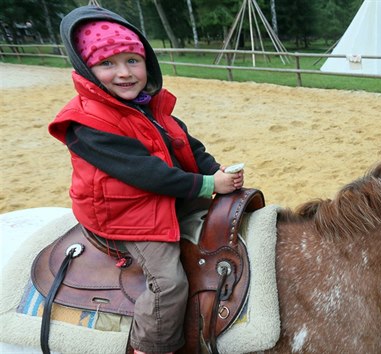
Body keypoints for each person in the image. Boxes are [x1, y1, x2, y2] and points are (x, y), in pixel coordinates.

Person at [48, 5, 244, 354]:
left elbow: (185, 145)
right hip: (123, 213)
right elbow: (146, 173)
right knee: (168, 283)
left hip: (163, 195)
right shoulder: (87, 123)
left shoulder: (147, 106)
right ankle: (150, 346)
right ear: (87, 70)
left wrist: (216, 170)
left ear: (147, 63)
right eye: (108, 64)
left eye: (132, 61)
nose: (124, 73)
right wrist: (208, 186)